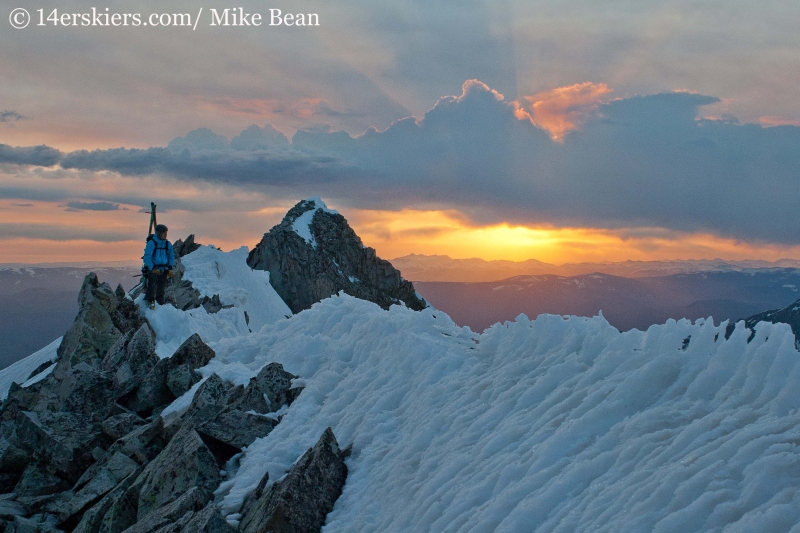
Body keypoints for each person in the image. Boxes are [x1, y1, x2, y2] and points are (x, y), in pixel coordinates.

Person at [143, 224, 175, 309]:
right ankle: (150, 300)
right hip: (153, 268)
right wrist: (152, 268)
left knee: (161, 286)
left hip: (163, 268)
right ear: (158, 233)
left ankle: (159, 302)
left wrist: (170, 267)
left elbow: (171, 256)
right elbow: (147, 257)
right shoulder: (152, 243)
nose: (166, 234)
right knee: (152, 283)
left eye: (166, 233)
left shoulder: (168, 244)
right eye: (164, 233)